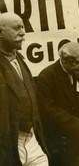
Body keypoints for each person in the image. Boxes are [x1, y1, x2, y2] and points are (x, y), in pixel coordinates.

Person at [36, 41, 79, 166]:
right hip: (61, 138)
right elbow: (48, 109)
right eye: (78, 62)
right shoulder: (46, 76)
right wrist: (76, 124)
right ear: (64, 60)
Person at [0, 12, 48, 166]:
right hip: (9, 143)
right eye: (16, 28)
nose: (23, 32)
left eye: (22, 27)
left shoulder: (19, 58)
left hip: (31, 138)